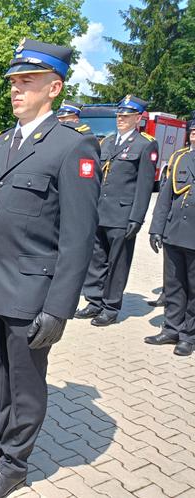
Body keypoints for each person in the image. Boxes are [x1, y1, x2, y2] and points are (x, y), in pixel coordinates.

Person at [0, 39, 101, 498]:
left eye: (27, 82)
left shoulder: (72, 147)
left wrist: (59, 309)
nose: (16, 90)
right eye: (14, 82)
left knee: (26, 385)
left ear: (53, 88)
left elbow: (78, 238)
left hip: (30, 295)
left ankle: (14, 463)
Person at [75, 95, 159, 326]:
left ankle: (111, 306)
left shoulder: (145, 144)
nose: (120, 119)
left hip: (122, 215)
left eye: (126, 115)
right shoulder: (108, 142)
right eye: (119, 115)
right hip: (100, 212)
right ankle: (94, 301)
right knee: (96, 258)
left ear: (138, 118)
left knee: (118, 263)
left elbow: (144, 186)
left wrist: (137, 218)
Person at [144, 117, 195, 356]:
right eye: (192, 131)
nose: (194, 135)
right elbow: (165, 196)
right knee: (174, 286)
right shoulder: (179, 158)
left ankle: (188, 335)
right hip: (174, 233)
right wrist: (156, 227)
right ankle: (172, 328)